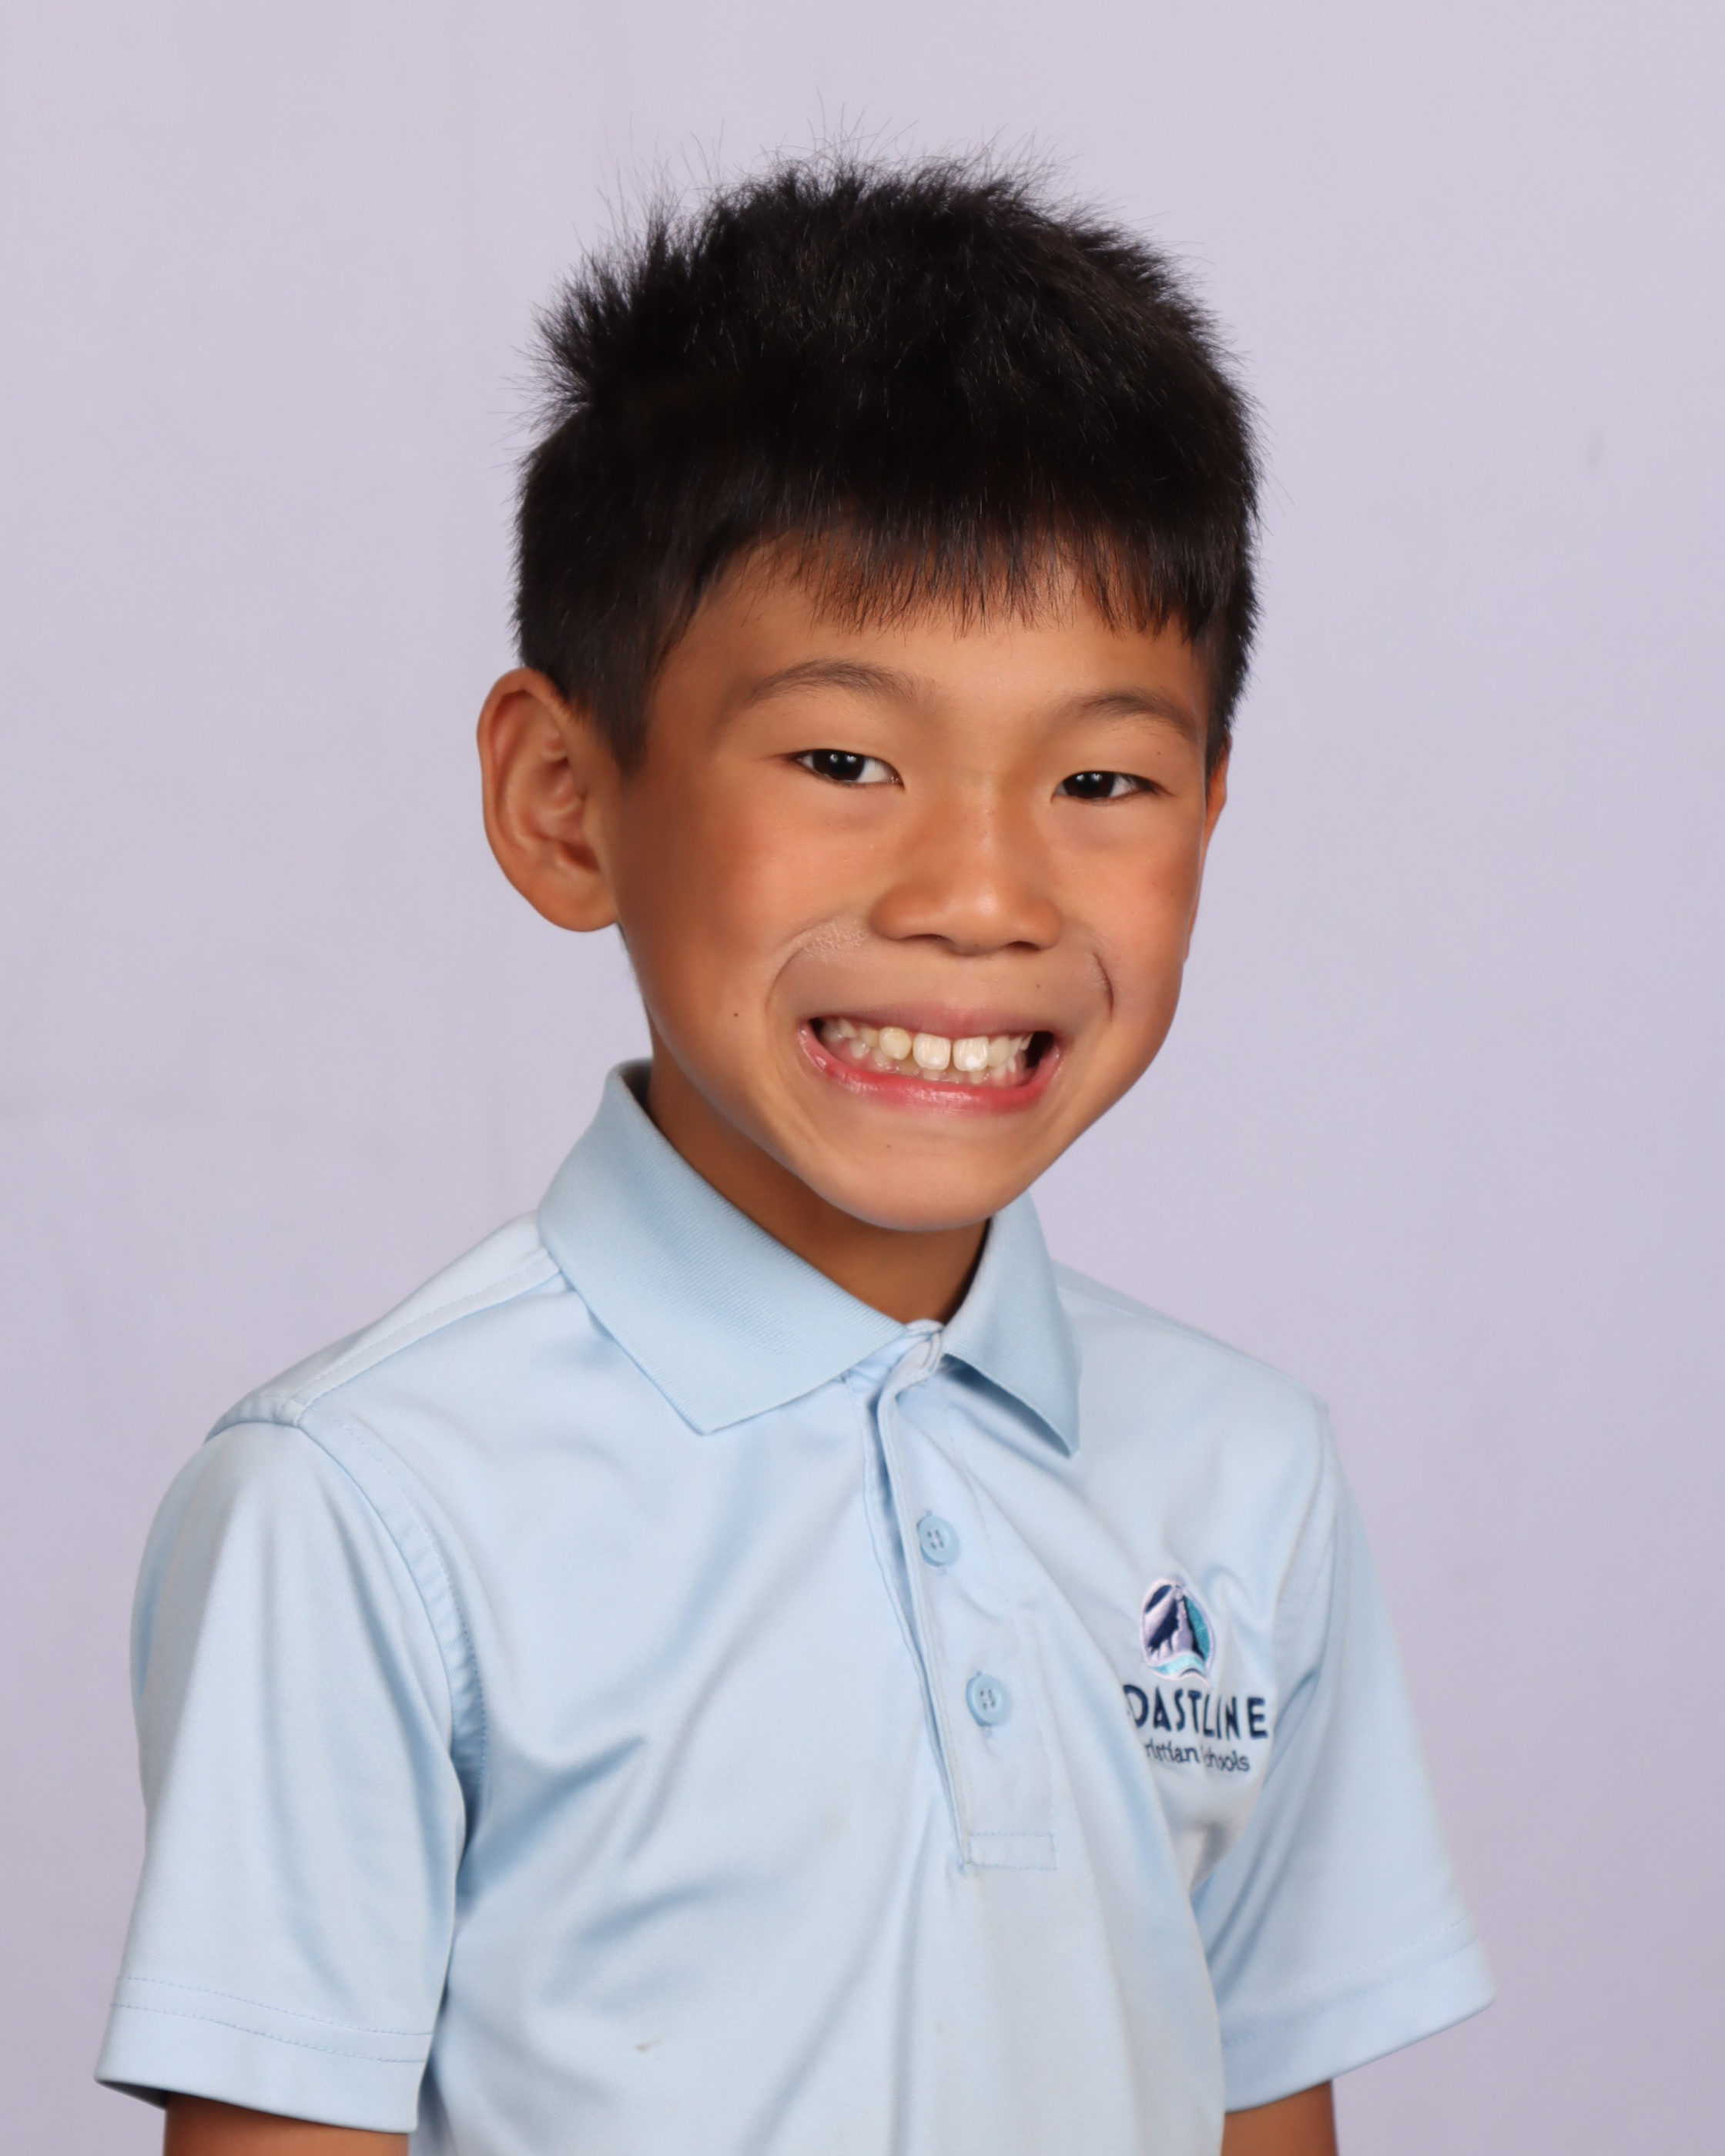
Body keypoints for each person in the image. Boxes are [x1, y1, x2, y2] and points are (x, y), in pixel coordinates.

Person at [95, 156, 1492, 2156]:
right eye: (846, 761)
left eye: (1104, 777)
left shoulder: (1244, 1475)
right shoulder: (368, 1509)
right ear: (567, 800)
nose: (982, 895)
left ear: (1211, 810)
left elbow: (1262, 2110)